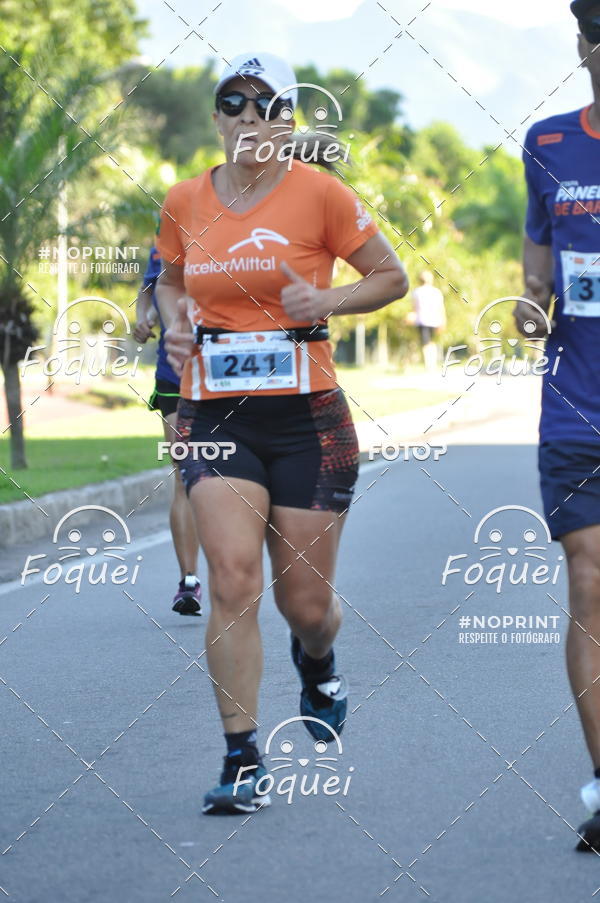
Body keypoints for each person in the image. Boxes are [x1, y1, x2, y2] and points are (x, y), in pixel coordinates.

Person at [155, 51, 408, 815]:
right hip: (217, 413)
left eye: (267, 106)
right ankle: (242, 758)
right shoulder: (184, 199)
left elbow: (391, 276)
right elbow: (170, 280)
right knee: (233, 579)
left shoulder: (321, 194)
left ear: (289, 122)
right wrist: (174, 323)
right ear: (217, 117)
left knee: (307, 605)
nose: (249, 118)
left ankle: (318, 659)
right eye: (233, 102)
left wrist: (325, 300)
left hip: (308, 420)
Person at [514, 0, 600, 851]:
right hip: (579, 405)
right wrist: (529, 307)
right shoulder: (547, 143)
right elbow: (536, 269)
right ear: (582, 44)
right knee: (590, 581)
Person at [133, 245, 202, 615]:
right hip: (174, 374)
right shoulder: (163, 244)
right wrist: (142, 318)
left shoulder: (233, 232)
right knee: (184, 472)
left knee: (230, 474)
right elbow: (148, 289)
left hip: (227, 376)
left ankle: (235, 569)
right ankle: (188, 580)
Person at [411, 270, 446, 372]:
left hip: (423, 321)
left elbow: (414, 308)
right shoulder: (436, 292)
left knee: (426, 343)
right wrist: (443, 321)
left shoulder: (416, 292)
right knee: (431, 342)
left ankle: (429, 365)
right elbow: (441, 308)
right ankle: (431, 363)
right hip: (434, 320)